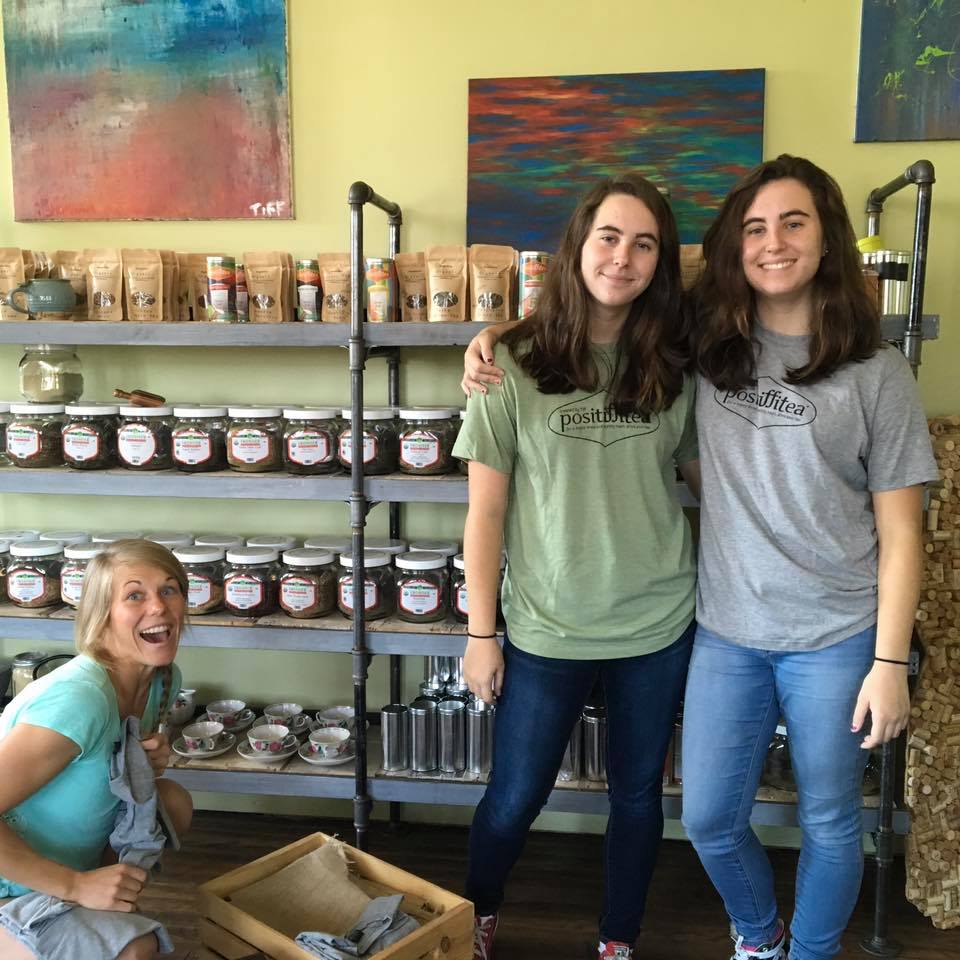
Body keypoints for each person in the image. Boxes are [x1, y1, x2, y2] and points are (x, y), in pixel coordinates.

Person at [678, 155, 937, 960]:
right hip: (728, 631)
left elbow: (903, 533)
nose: (774, 242)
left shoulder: (877, 372)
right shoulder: (707, 349)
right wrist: (493, 337)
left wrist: (888, 663)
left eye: (794, 223)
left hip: (837, 636)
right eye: (756, 228)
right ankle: (761, 938)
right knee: (708, 818)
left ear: (827, 240)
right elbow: (600, 317)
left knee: (830, 819)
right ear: (737, 247)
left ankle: (812, 955)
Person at [454, 172, 700, 960]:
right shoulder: (508, 362)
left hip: (658, 622)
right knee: (514, 796)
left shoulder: (676, 362)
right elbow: (485, 513)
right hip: (546, 625)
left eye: (644, 244)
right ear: (577, 245)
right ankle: (476, 915)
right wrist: (481, 634)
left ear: (660, 263)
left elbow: (709, 485)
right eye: (609, 237)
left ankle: (618, 939)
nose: (623, 258)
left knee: (638, 796)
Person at [0, 538, 194, 960]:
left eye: (169, 589)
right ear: (101, 614)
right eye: (134, 595)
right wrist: (74, 886)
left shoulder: (161, 679)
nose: (159, 607)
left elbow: (102, 774)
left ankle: (91, 913)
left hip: (65, 865)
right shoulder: (79, 700)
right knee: (135, 949)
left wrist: (140, 763)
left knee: (172, 802)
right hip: (10, 885)